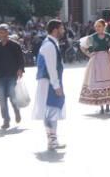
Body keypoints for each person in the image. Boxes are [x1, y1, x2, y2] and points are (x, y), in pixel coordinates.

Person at [33, 19, 66, 151]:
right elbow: (51, 68)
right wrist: (56, 86)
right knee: (51, 111)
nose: (63, 31)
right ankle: (52, 140)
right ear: (55, 30)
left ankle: (53, 139)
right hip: (49, 83)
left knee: (52, 111)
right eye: (61, 28)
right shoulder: (49, 45)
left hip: (49, 82)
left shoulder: (51, 43)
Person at [0, 23, 25, 130]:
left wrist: (20, 69)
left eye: (4, 32)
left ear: (8, 33)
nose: (2, 34)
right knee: (2, 100)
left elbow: (20, 59)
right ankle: (6, 120)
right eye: (0, 33)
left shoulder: (15, 45)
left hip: (12, 75)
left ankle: (16, 111)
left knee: (12, 96)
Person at [78, 19, 110, 113]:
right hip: (96, 61)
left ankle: (107, 104)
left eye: (99, 26)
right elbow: (82, 46)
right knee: (98, 82)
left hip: (107, 60)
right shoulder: (92, 37)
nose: (97, 28)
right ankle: (101, 106)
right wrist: (89, 54)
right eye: (96, 26)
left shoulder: (109, 37)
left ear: (104, 26)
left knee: (108, 81)